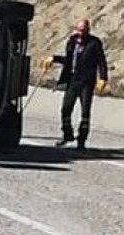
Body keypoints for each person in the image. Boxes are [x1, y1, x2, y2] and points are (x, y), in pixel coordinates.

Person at [42, 18, 109, 150]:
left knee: (85, 112)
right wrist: (54, 59)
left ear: (88, 30)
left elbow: (101, 61)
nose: (80, 33)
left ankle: (82, 140)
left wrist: (103, 78)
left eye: (83, 30)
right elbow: (68, 59)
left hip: (86, 82)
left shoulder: (94, 43)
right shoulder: (72, 41)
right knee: (66, 108)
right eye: (78, 30)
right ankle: (67, 134)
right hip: (72, 80)